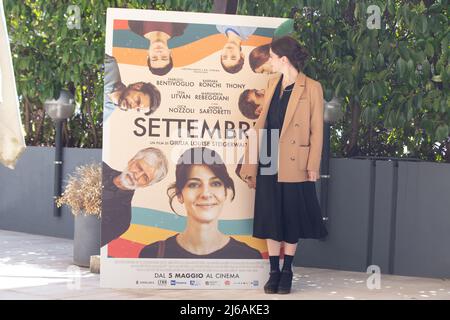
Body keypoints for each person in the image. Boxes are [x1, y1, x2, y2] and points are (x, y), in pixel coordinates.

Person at [238, 36, 328, 294]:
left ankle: (287, 270)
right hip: (268, 155)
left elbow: (316, 131)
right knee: (269, 216)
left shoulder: (312, 87)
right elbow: (261, 125)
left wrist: (313, 164)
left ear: (284, 59)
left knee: (290, 217)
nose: (271, 62)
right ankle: (273, 272)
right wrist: (250, 165)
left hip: (295, 161)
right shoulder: (271, 83)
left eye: (273, 58)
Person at [139, 147, 262, 259]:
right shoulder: (152, 254)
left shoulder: (249, 256)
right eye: (194, 184)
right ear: (179, 194)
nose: (206, 194)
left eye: (215, 184)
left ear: (225, 192)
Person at [102, 147, 168, 247]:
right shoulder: (98, 165)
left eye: (145, 177)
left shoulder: (121, 220)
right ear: (131, 161)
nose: (137, 176)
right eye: (139, 167)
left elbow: (90, 245)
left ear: (146, 185)